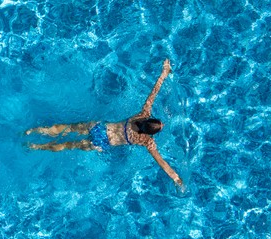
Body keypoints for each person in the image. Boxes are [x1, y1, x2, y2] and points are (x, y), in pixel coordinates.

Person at [26, 59, 184, 191]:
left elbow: (153, 94)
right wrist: (176, 179)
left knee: (65, 129)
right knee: (68, 145)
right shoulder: (146, 141)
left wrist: (163, 73)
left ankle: (34, 131)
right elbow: (161, 162)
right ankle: (37, 147)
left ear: (149, 121)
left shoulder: (141, 116)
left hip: (99, 128)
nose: (162, 123)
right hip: (102, 142)